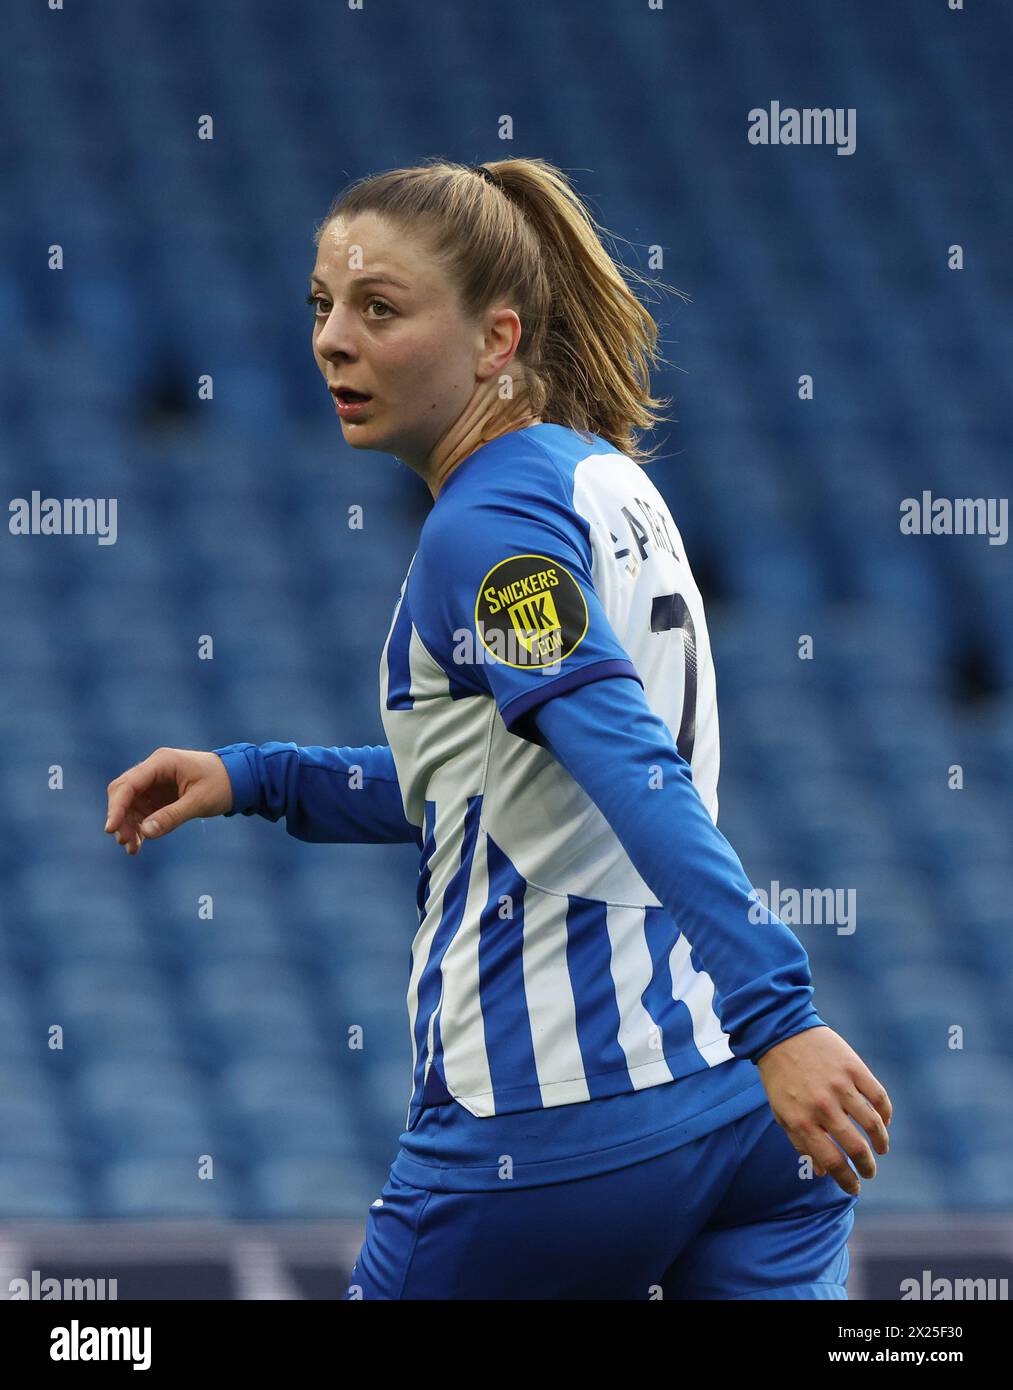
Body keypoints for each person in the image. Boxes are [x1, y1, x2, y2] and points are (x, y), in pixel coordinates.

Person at [105, 157, 891, 1300]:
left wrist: (781, 1016)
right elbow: (501, 787)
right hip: (734, 1124)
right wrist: (257, 776)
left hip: (549, 1129)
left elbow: (620, 757)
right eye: (321, 305)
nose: (331, 339)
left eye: (378, 309)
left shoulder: (486, 525)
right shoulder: (604, 480)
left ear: (494, 339)